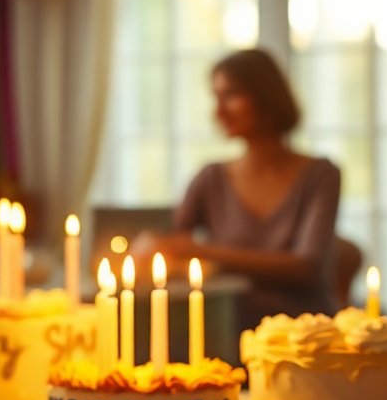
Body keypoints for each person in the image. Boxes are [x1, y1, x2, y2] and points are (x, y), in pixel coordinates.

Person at [139, 49, 341, 325]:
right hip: (228, 331)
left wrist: (200, 250)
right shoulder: (210, 179)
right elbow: (172, 248)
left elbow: (306, 268)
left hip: (305, 333)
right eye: (216, 98)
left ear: (266, 97)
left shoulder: (321, 175)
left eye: (231, 95)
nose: (219, 111)